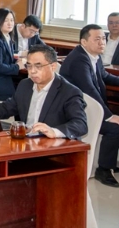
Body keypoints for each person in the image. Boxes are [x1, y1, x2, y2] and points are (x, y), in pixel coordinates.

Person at [60, 24, 119, 187]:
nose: (102, 42)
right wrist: (108, 116)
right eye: (97, 39)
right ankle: (104, 170)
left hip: (88, 105)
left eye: (103, 39)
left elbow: (104, 75)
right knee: (114, 129)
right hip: (75, 109)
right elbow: (88, 89)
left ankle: (109, 162)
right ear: (84, 42)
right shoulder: (79, 59)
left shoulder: (94, 55)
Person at [0, 45, 87, 140]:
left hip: (52, 144)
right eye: (29, 66)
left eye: (38, 66)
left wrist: (54, 131)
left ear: (53, 66)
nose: (32, 71)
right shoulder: (25, 85)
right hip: (26, 141)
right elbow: (7, 108)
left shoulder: (69, 92)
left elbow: (80, 124)